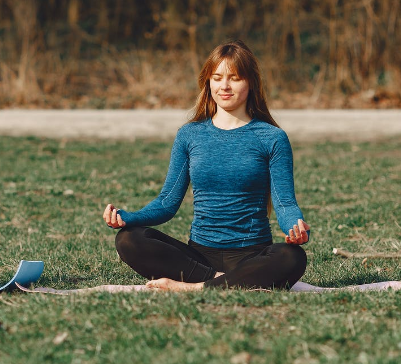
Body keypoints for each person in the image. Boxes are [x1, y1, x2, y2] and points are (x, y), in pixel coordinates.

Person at [102, 40, 310, 291]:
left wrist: (295, 228)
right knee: (129, 240)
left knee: (292, 257)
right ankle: (224, 282)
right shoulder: (189, 135)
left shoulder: (272, 138)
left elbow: (285, 203)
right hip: (200, 258)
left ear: (251, 82)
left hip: (252, 256)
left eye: (234, 78)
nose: (224, 86)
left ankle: (194, 287)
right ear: (207, 81)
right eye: (217, 77)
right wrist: (128, 218)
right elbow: (167, 202)